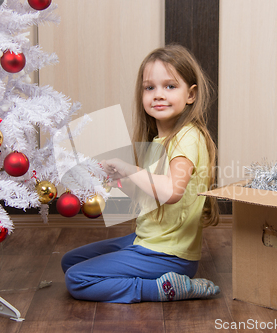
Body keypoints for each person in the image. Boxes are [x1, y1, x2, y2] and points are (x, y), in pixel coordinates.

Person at [61, 44, 220, 303]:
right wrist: (114, 178)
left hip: (168, 255)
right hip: (147, 240)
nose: (158, 94)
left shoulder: (187, 137)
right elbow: (147, 198)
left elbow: (171, 192)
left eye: (170, 86)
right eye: (150, 87)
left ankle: (162, 288)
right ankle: (152, 278)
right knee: (71, 262)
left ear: (191, 95)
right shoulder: (158, 140)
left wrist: (130, 169)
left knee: (77, 278)